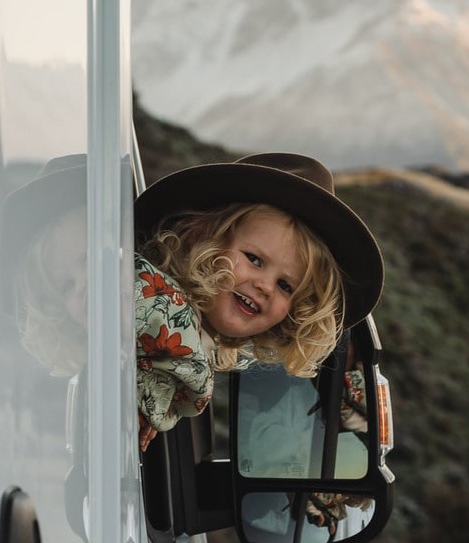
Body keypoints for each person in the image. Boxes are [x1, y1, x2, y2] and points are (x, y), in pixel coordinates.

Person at [133, 152, 383, 451]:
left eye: (285, 286)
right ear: (201, 238)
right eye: (254, 259)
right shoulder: (155, 302)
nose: (265, 286)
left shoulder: (193, 339)